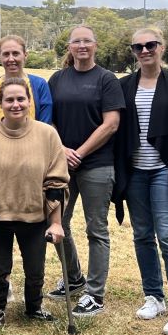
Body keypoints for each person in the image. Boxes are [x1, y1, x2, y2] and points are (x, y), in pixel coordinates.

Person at [112, 29, 168, 335]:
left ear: (162, 47)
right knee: (142, 235)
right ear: (133, 51)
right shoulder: (124, 85)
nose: (145, 50)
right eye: (139, 46)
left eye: (151, 45)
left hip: (164, 170)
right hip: (135, 171)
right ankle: (154, 296)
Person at [0, 77, 69, 328]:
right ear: (0, 103)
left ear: (29, 101)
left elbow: (56, 182)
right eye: (9, 100)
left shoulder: (47, 134)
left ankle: (34, 306)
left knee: (35, 270)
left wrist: (55, 223)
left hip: (34, 215)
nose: (15, 104)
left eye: (21, 99)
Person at [47, 25, 123, 317]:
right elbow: (47, 119)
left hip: (97, 165)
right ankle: (74, 277)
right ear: (69, 46)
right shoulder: (58, 79)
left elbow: (111, 124)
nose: (81, 46)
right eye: (76, 41)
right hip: (62, 163)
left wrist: (80, 152)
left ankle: (95, 293)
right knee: (58, 223)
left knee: (96, 229)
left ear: (95, 45)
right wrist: (62, 149)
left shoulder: (106, 79)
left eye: (86, 41)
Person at [0, 35, 53, 124]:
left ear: (25, 55)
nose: (11, 59)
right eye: (6, 54)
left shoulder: (39, 85)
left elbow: (45, 123)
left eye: (15, 53)